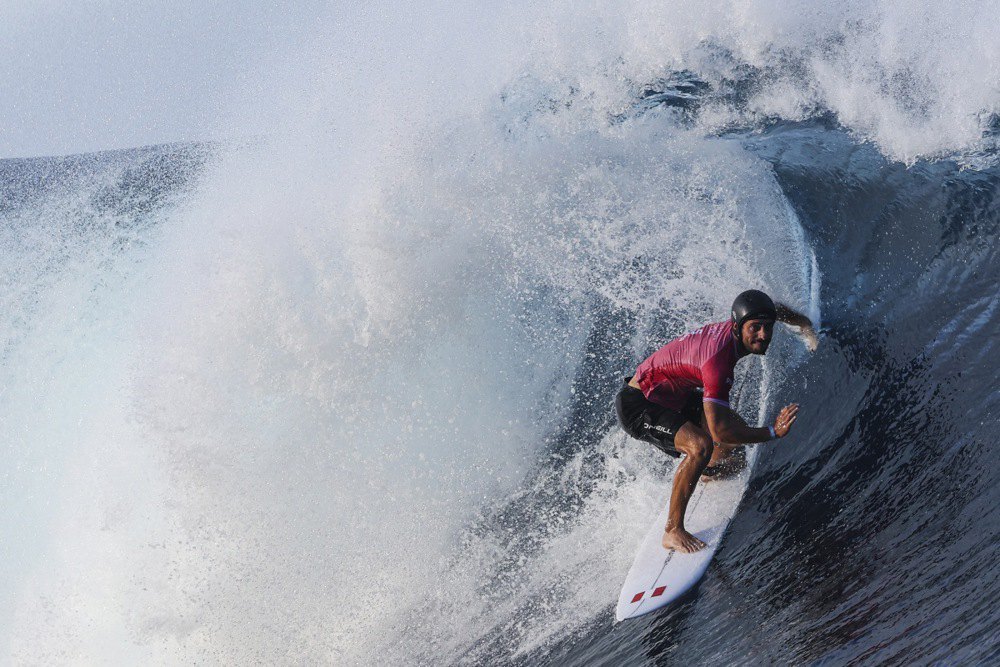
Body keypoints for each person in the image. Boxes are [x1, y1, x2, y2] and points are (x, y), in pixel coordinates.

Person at [615, 290, 817, 553]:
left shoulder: (745, 325)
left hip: (675, 395)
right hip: (639, 404)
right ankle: (672, 530)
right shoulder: (717, 363)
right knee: (701, 445)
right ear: (737, 326)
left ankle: (705, 473)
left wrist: (804, 325)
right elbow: (721, 431)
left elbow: (775, 309)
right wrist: (772, 432)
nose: (763, 335)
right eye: (755, 328)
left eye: (768, 327)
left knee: (732, 456)